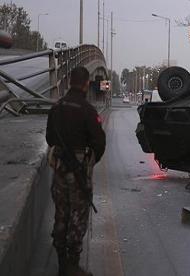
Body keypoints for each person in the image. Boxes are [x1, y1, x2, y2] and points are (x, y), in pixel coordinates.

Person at [46, 67, 106, 276]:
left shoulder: (57, 107)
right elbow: (99, 142)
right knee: (78, 217)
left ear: (70, 82)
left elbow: (49, 137)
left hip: (60, 169)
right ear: (86, 83)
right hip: (79, 171)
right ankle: (72, 266)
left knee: (61, 214)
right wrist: (89, 161)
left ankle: (62, 264)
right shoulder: (88, 110)